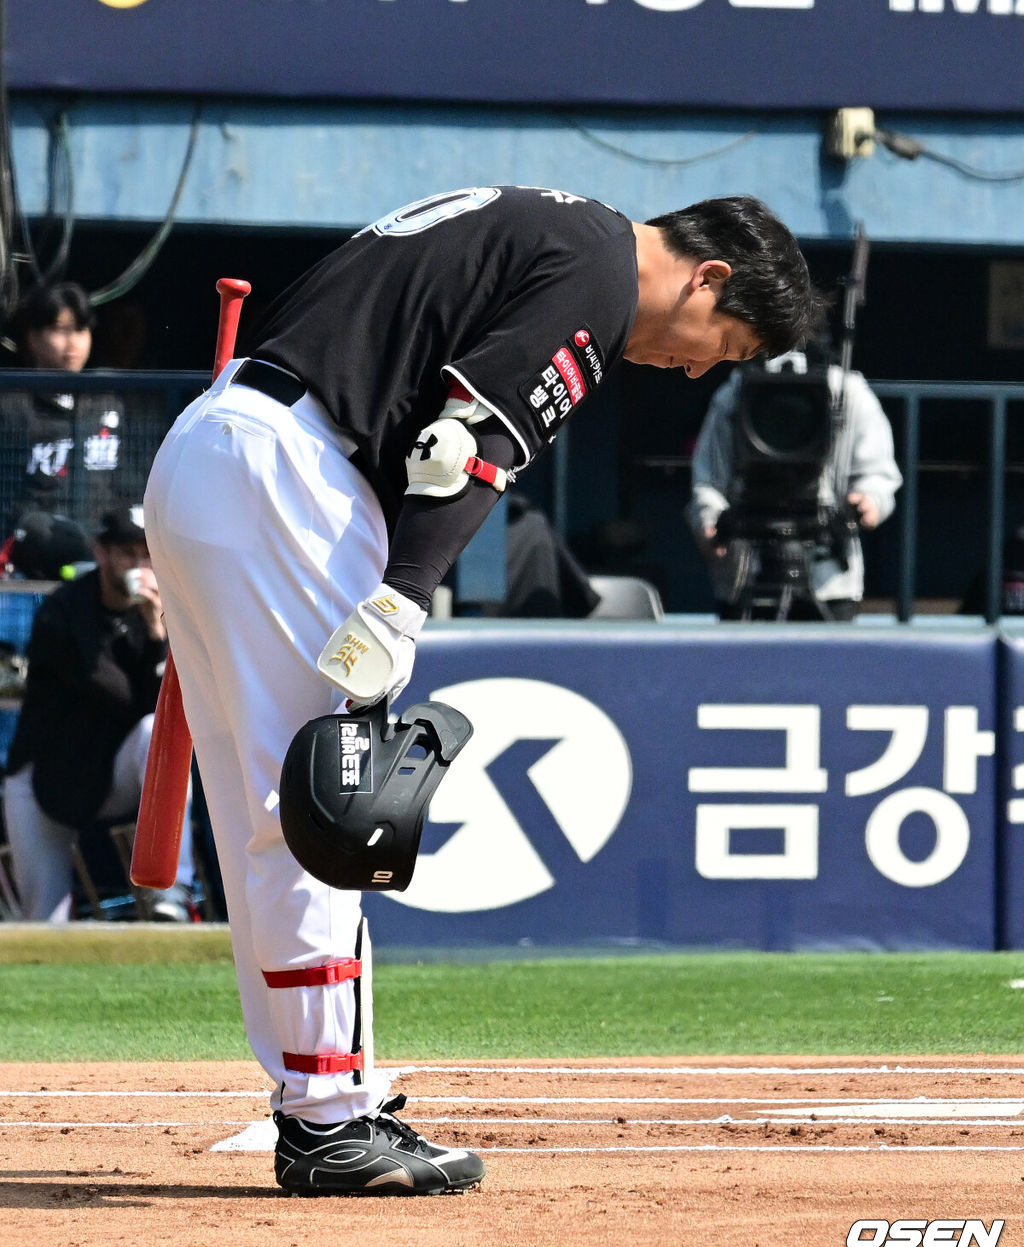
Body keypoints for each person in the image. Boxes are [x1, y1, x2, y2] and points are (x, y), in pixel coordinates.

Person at [142, 185, 819, 1196]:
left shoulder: (549, 222)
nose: (690, 365)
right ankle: (330, 1117)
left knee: (272, 811)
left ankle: (324, 1098)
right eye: (717, 342)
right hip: (293, 474)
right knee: (330, 809)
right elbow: (464, 447)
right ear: (706, 275)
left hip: (222, 451)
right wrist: (404, 599)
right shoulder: (598, 264)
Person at [3, 505, 195, 922]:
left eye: (148, 555)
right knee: (44, 923)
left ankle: (172, 889)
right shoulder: (65, 611)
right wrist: (156, 635)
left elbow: (163, 709)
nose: (140, 566)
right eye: (128, 553)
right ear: (102, 552)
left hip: (111, 772)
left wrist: (159, 633)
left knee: (155, 733)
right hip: (46, 779)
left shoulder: (163, 612)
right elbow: (121, 694)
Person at [687, 343, 902, 620]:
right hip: (744, 575)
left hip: (829, 582)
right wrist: (710, 520)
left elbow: (877, 474)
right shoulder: (736, 392)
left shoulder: (849, 393)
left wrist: (869, 500)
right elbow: (708, 480)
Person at [0, 283, 137, 560]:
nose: (72, 341)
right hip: (27, 556)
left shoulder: (107, 401)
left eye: (80, 330)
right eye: (60, 330)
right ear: (33, 338)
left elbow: (127, 484)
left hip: (99, 555)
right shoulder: (11, 404)